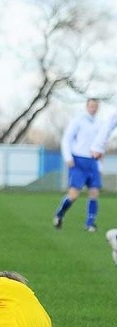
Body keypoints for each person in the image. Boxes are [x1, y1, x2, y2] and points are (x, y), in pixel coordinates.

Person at [53, 98, 106, 232]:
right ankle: (59, 215)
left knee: (94, 192)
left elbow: (101, 144)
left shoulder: (100, 124)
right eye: (91, 106)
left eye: (96, 106)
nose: (93, 108)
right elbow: (67, 139)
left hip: (93, 161)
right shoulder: (78, 121)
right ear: (87, 106)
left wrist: (100, 164)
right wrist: (68, 157)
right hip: (78, 161)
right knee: (74, 195)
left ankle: (90, 223)